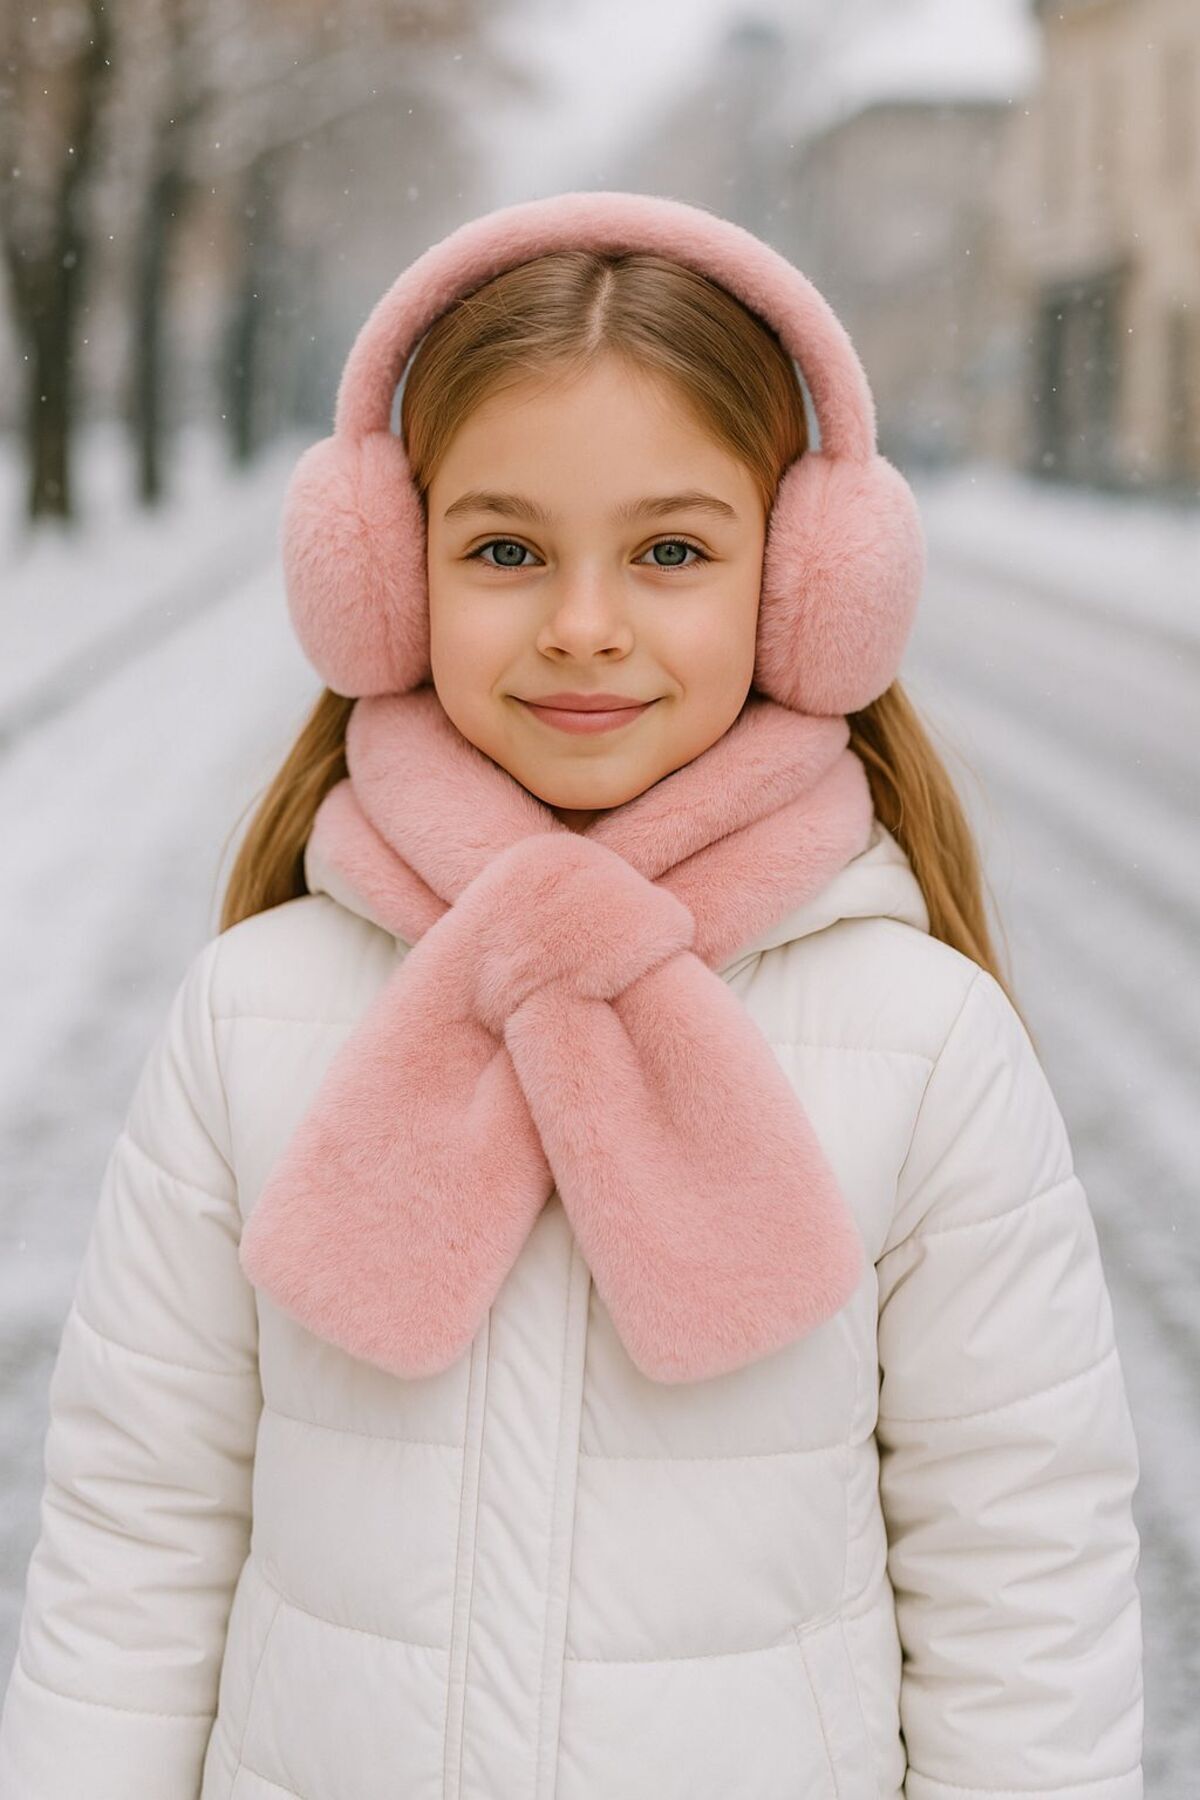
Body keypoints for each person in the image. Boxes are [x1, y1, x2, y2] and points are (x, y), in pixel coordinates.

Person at [0, 191, 1144, 1800]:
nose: (585, 626)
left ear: (811, 588)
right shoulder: (252, 1016)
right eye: (504, 549)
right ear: (382, 583)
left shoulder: (926, 1041)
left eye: (672, 549)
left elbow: (1025, 1572)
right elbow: (139, 1532)